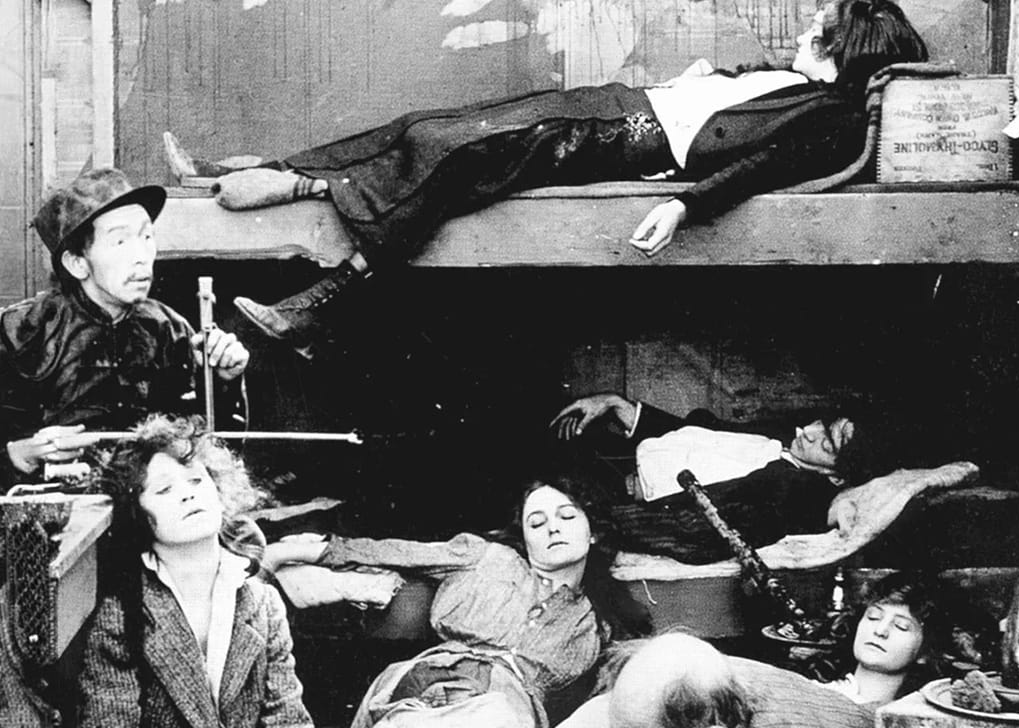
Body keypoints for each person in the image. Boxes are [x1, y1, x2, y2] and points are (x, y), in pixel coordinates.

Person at [164, 0, 928, 350]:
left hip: (623, 138)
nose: (808, 25)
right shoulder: (794, 84)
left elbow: (762, 164)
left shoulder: (830, 114)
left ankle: (319, 278)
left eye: (824, 27)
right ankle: (265, 175)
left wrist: (687, 207)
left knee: (452, 152)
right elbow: (735, 110)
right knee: (422, 126)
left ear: (850, 46)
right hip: (620, 107)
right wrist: (708, 81)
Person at [261, 474, 652, 727]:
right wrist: (293, 552)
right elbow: (397, 552)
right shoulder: (488, 557)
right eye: (537, 522)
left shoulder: (598, 624)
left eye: (567, 516)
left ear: (592, 533)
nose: (552, 528)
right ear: (525, 540)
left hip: (506, 707)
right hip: (432, 682)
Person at [1, 168, 250, 489]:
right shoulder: (21, 332)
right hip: (51, 503)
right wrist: (16, 455)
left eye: (146, 237)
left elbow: (215, 450)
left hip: (150, 503)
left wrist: (222, 382)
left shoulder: (171, 330)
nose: (141, 256)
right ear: (77, 263)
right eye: (120, 241)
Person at [76, 414, 312, 728]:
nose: (188, 494)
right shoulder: (121, 616)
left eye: (196, 481)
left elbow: (288, 719)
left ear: (219, 491)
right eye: (164, 490)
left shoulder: (264, 604)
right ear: (136, 514)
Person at [560, 571, 945, 728]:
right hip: (713, 699)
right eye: (874, 616)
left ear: (925, 651)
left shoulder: (890, 714)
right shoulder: (812, 678)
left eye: (901, 626)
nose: (881, 630)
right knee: (622, 695)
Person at [548, 391, 896, 564]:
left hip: (611, 495)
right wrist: (616, 404)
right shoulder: (778, 440)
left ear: (836, 477)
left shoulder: (791, 487)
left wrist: (597, 517)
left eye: (827, 445)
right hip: (618, 457)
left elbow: (694, 529)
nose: (809, 433)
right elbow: (700, 431)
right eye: (822, 424)